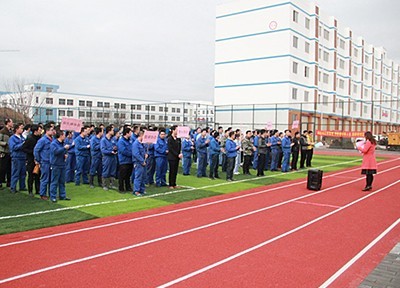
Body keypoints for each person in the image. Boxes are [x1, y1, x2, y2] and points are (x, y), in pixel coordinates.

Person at [49, 130, 71, 203]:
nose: (65, 136)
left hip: (62, 164)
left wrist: (65, 154)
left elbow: (62, 152)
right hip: (56, 164)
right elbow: (56, 152)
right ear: (60, 136)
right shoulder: (54, 143)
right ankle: (53, 196)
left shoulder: (63, 143)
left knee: (62, 181)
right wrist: (64, 148)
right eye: (64, 135)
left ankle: (62, 195)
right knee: (54, 181)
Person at [34, 124, 54, 200]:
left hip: (51, 161)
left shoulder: (52, 139)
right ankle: (42, 194)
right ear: (47, 130)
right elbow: (36, 150)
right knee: (45, 178)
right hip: (45, 162)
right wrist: (38, 160)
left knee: (51, 179)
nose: (53, 132)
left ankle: (50, 193)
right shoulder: (42, 140)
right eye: (51, 130)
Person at [22, 124, 42, 196]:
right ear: (35, 131)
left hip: (38, 159)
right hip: (31, 159)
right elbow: (24, 148)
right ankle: (30, 190)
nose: (41, 132)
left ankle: (38, 190)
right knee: (31, 175)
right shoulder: (29, 138)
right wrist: (32, 152)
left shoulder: (40, 138)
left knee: (38, 175)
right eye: (39, 130)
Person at [8, 123, 27, 193]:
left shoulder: (23, 137)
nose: (22, 130)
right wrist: (22, 144)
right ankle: (13, 187)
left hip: (23, 157)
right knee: (15, 172)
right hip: (16, 157)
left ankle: (22, 186)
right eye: (21, 128)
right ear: (16, 129)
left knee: (23, 173)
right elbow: (13, 147)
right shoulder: (12, 138)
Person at [100, 126, 118, 190]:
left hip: (113, 157)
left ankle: (112, 184)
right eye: (112, 130)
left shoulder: (112, 139)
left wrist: (115, 149)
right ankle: (104, 184)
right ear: (109, 131)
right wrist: (110, 151)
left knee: (113, 171)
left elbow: (115, 146)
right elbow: (103, 150)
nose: (113, 132)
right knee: (106, 170)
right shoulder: (103, 140)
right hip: (107, 157)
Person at [117, 127, 133, 193]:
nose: (131, 134)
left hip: (130, 161)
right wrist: (132, 154)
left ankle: (128, 187)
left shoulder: (130, 140)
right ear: (127, 133)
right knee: (122, 175)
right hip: (123, 161)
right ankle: (121, 188)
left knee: (128, 175)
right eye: (130, 132)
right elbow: (123, 151)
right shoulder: (121, 141)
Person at [132, 130, 147, 196]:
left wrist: (146, 155)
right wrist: (142, 161)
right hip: (138, 163)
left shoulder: (142, 143)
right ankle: (136, 190)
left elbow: (143, 152)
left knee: (143, 177)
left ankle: (142, 189)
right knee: (138, 177)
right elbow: (136, 154)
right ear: (141, 135)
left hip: (143, 162)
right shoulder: (136, 144)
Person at [0, 118, 13, 189]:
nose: (12, 123)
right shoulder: (2, 131)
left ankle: (9, 182)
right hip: (4, 152)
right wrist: (5, 144)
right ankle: (1, 182)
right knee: (2, 168)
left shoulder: (12, 131)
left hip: (10, 152)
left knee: (10, 168)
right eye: (11, 122)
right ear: (8, 123)